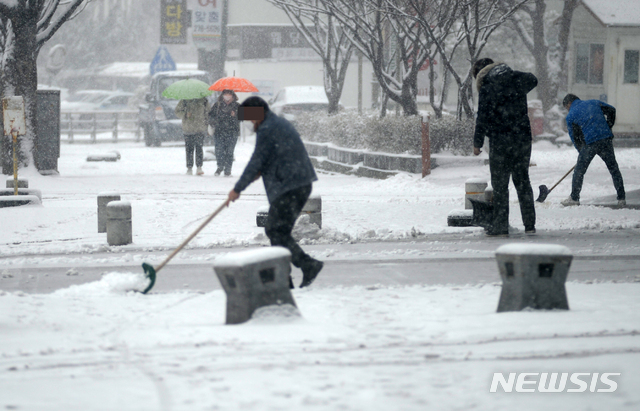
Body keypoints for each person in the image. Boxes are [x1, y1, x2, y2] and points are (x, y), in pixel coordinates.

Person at [226, 96, 323, 288]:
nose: (251, 122)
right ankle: (285, 278)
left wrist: (237, 189)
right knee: (279, 232)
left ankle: (306, 265)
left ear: (259, 113)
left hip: (291, 186)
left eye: (251, 118)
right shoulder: (275, 124)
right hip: (295, 183)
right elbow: (275, 154)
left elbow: (257, 160)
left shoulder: (268, 129)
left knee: (274, 229)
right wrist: (262, 169)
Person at [472, 58, 538, 236]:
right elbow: (533, 79)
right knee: (523, 182)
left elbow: (482, 118)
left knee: (500, 186)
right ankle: (530, 226)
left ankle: (501, 227)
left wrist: (477, 143)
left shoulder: (487, 87)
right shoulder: (516, 79)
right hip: (522, 139)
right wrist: (513, 76)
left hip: (500, 141)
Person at [561, 94, 625, 207]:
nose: (567, 110)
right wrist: (608, 125)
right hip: (606, 139)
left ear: (569, 103)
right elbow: (611, 110)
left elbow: (574, 137)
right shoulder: (594, 103)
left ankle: (574, 198)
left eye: (566, 107)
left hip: (591, 143)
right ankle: (621, 198)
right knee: (613, 168)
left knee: (579, 171)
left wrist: (581, 151)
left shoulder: (570, 116)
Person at [209, 90, 240, 176]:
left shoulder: (237, 106)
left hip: (232, 132)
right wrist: (214, 121)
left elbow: (242, 118)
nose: (227, 96)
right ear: (222, 95)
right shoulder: (217, 105)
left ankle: (228, 170)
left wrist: (235, 115)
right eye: (225, 94)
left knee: (229, 152)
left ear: (233, 96)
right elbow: (210, 116)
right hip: (219, 132)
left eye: (229, 94)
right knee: (219, 151)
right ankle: (220, 167)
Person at [175, 96, 210, 175]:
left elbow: (208, 113)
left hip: (200, 128)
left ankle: (199, 167)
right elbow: (177, 111)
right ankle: (189, 167)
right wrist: (185, 114)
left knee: (199, 148)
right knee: (189, 149)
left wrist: (208, 125)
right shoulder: (184, 100)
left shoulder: (204, 100)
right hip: (188, 129)